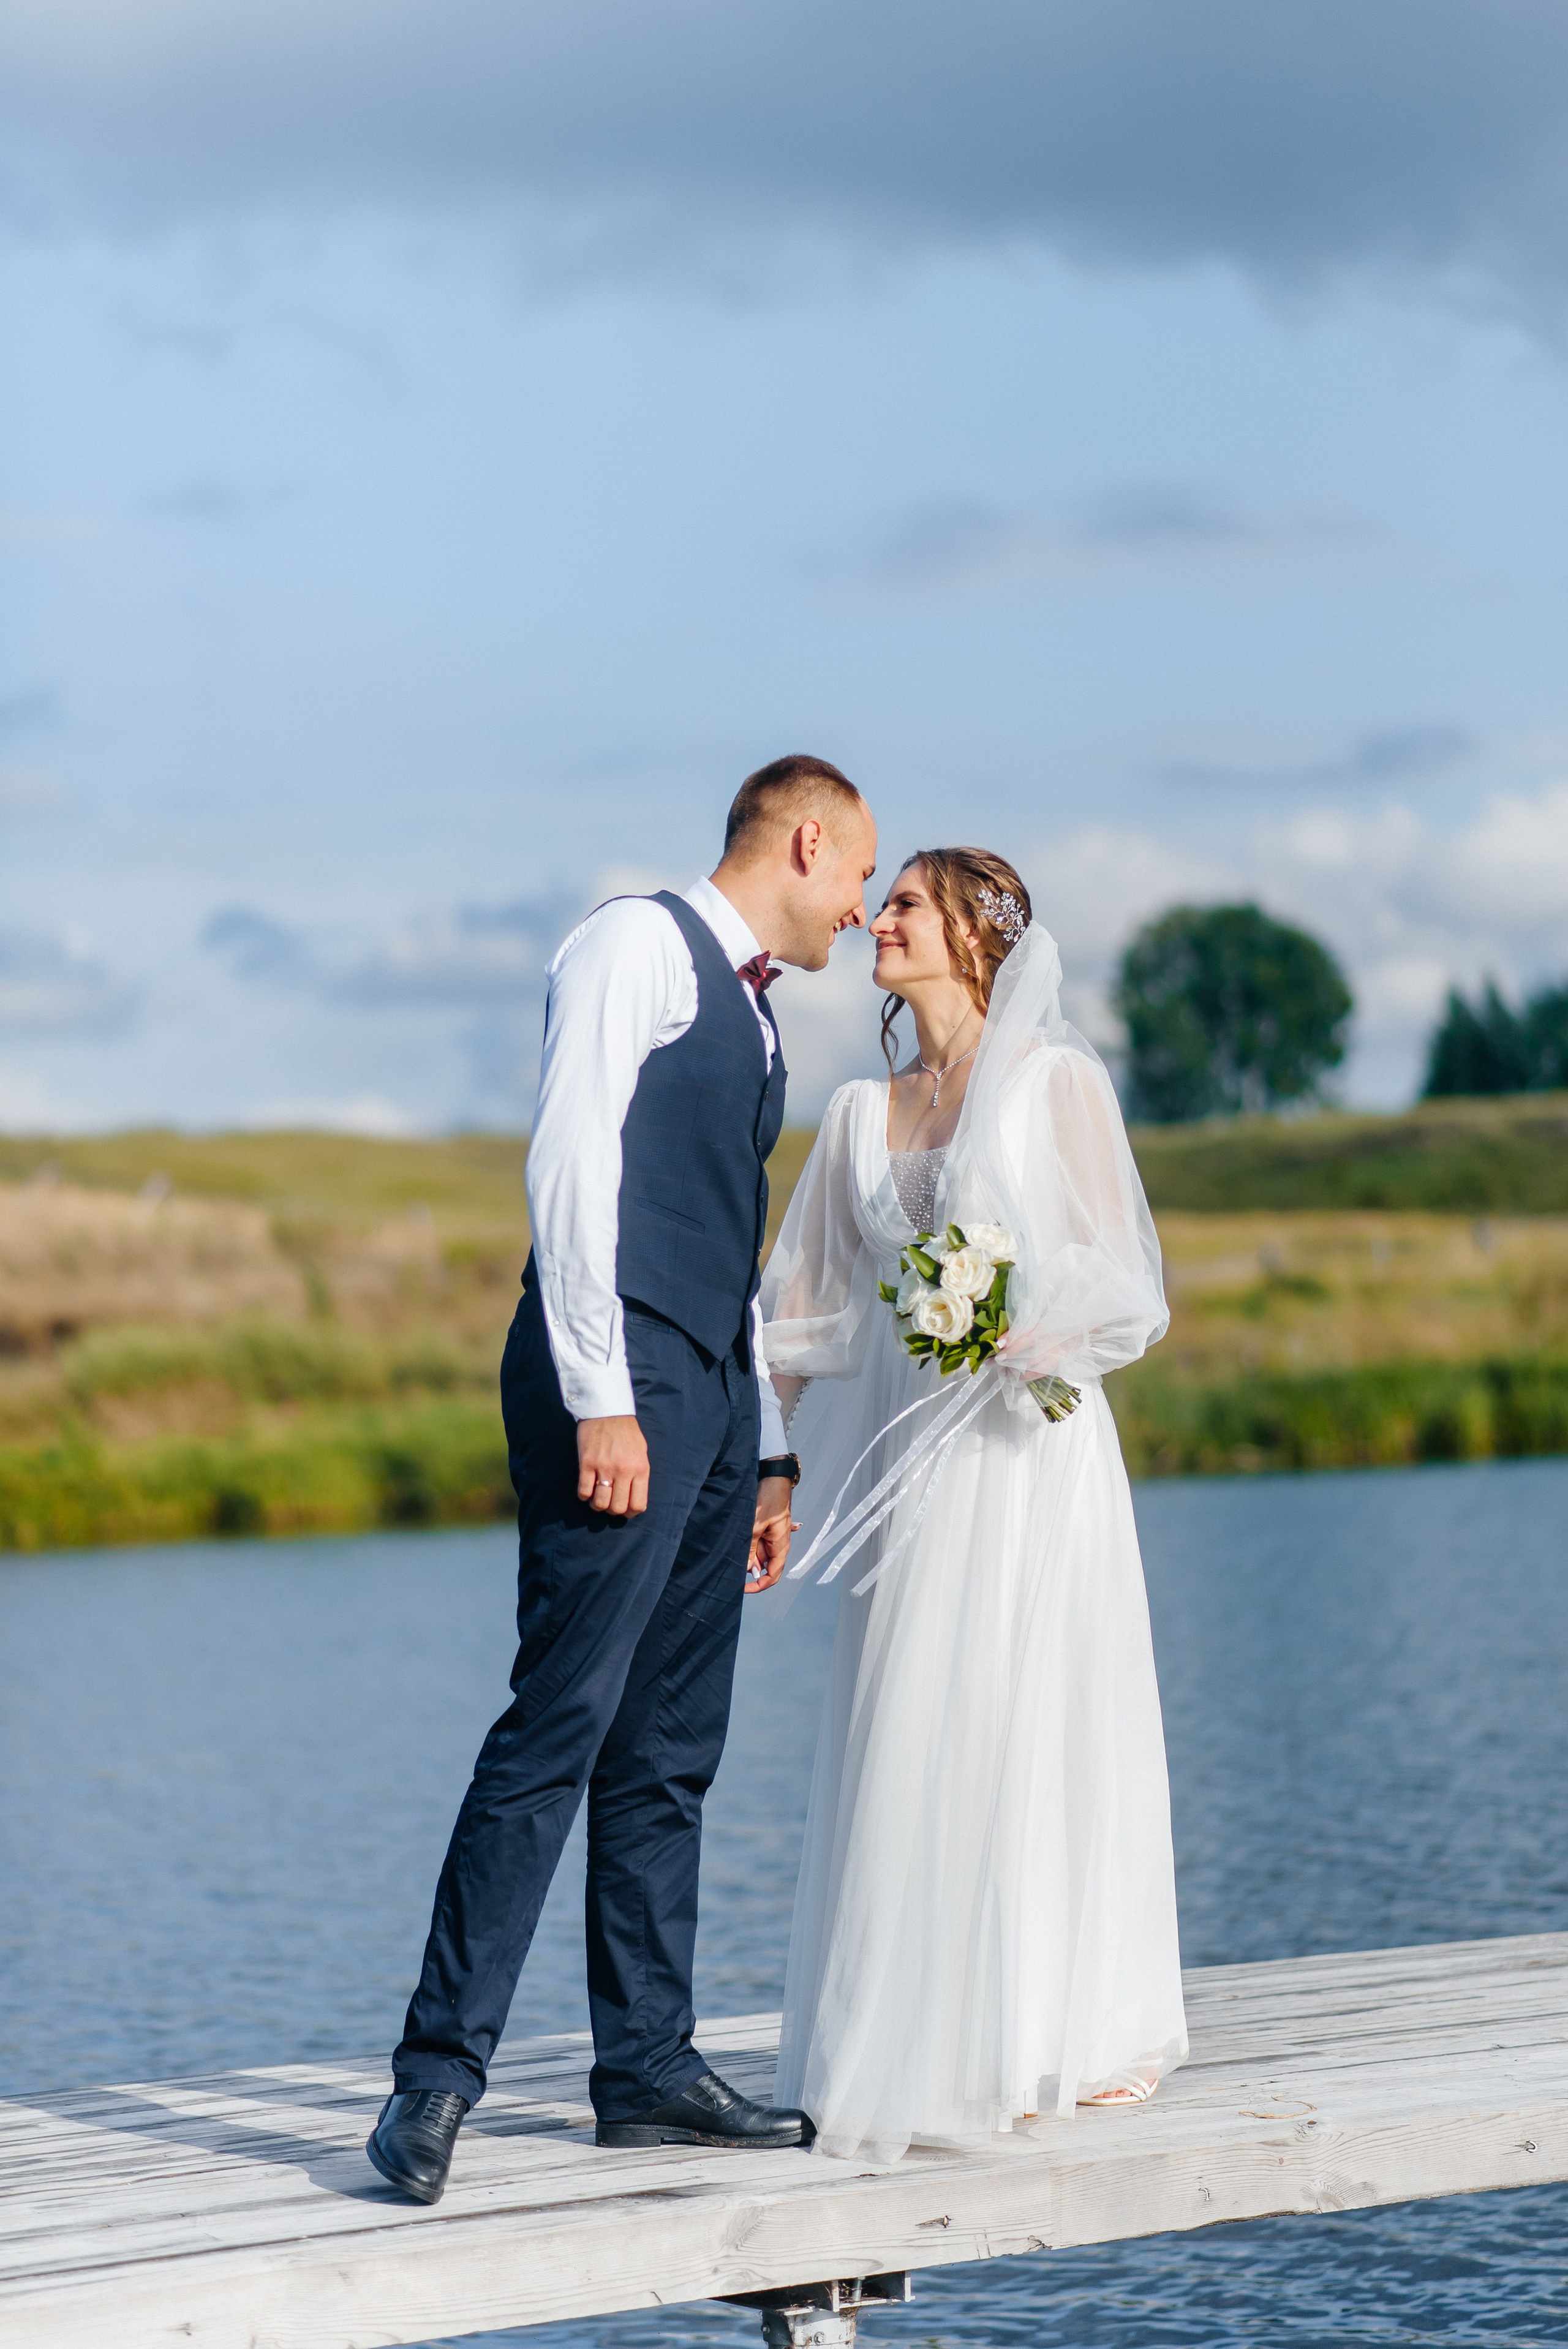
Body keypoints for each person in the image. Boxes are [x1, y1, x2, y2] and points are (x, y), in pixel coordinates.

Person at [367, 755, 879, 2203]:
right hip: (621, 1375)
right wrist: (599, 1394)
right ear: (802, 839)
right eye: (855, 873)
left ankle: (644, 2066)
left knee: (670, 1748)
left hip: (710, 1394)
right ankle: (434, 2079)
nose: (857, 907)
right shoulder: (631, 943)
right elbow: (572, 1160)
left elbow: (733, 1235)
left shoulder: (764, 1029)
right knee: (561, 1718)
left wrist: (768, 1445)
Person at [758, 848, 1186, 2163]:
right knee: (913, 1720)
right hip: (918, 1470)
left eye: (903, 906)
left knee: (1035, 1713)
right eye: (877, 902)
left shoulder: (1057, 1085)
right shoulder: (851, 1117)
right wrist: (765, 1466)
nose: (874, 921)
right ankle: (915, 2031)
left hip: (1029, 1458)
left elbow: (1124, 1279)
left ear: (970, 937)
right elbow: (796, 1315)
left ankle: (1067, 2028)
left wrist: (1030, 1333)